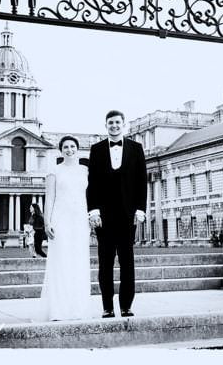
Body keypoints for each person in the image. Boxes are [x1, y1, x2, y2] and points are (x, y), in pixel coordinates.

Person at [87, 110, 147, 318]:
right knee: (105, 265)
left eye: (117, 122)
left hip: (127, 215)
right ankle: (107, 307)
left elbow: (141, 181)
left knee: (127, 263)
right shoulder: (96, 149)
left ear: (124, 124)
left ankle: (126, 306)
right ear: (106, 125)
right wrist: (93, 211)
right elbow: (92, 183)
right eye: (110, 123)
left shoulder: (136, 148)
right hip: (104, 217)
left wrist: (140, 209)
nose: (114, 125)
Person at [39, 135, 91, 321]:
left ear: (77, 149)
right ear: (61, 150)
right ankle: (58, 310)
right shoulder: (54, 171)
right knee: (60, 262)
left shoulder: (85, 170)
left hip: (80, 219)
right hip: (60, 219)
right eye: (66, 147)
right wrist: (47, 222)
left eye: (72, 146)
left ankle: (78, 309)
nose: (69, 149)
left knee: (78, 263)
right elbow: (49, 198)